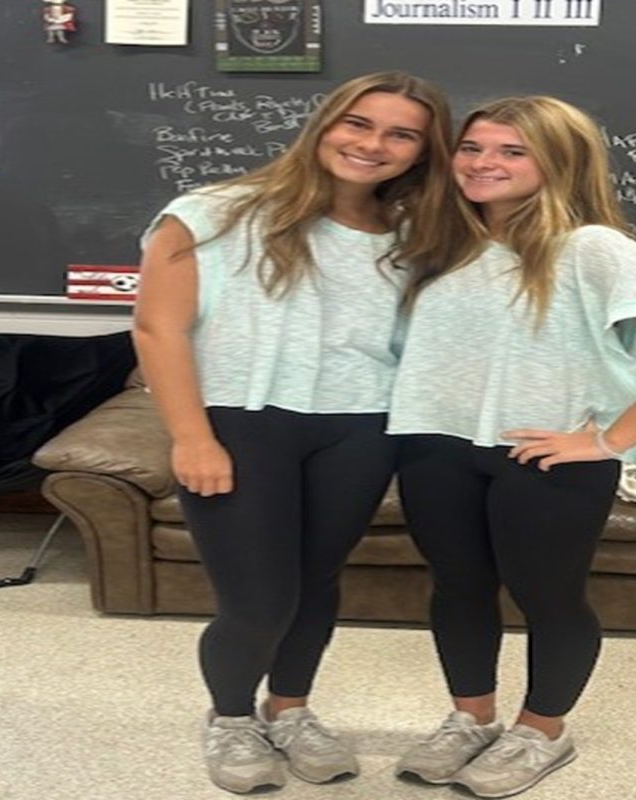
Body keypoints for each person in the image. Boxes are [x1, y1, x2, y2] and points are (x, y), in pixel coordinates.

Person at [388, 96, 636, 798]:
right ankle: (471, 719)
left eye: (512, 151)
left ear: (559, 162)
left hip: (543, 455)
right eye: (473, 148)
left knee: (546, 595)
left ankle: (543, 730)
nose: (484, 163)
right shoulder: (438, 243)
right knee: (457, 587)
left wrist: (610, 440)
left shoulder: (592, 248)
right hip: (434, 445)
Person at [132, 72, 452, 795]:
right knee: (257, 601)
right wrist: (191, 437)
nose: (374, 144)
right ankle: (232, 719)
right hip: (242, 424)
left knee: (316, 584)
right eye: (358, 123)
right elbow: (158, 326)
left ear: (422, 152)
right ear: (324, 123)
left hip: (361, 428)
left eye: (401, 134)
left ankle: (291, 709)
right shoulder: (212, 213)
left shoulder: (412, 236)